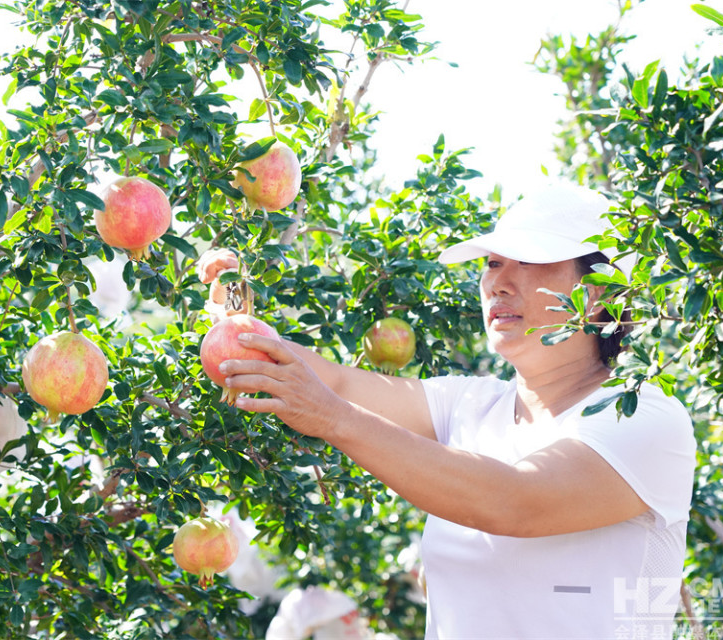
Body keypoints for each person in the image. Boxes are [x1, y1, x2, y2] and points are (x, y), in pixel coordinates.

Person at [201, 183, 697, 639]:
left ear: (596, 294)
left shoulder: (644, 415)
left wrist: (332, 418)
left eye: (527, 261)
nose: (498, 282)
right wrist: (240, 322)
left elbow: (515, 501)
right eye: (492, 264)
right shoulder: (469, 405)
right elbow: (335, 380)